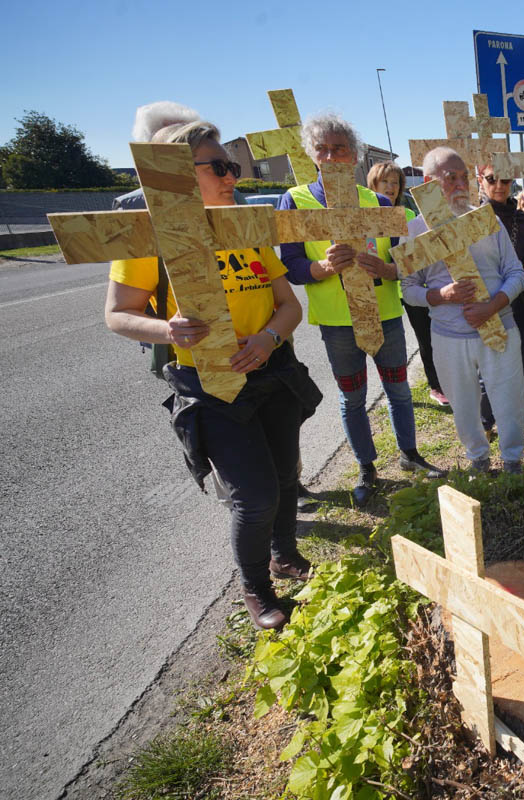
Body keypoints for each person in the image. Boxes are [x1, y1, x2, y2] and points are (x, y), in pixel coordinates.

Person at [104, 120, 321, 630]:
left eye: (233, 166)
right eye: (220, 167)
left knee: (287, 475)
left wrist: (267, 339)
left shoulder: (243, 226)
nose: (233, 176)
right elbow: (116, 314)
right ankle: (256, 588)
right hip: (210, 386)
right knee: (256, 493)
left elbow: (289, 306)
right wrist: (167, 329)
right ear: (179, 176)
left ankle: (284, 554)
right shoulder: (147, 237)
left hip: (272, 372)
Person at [277, 114, 445, 507]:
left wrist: (388, 269)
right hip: (338, 321)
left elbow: (407, 259)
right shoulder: (295, 200)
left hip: (384, 312)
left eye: (340, 149)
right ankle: (366, 467)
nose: (332, 156)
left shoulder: (379, 202)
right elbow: (292, 267)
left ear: (355, 156)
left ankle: (410, 455)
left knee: (399, 390)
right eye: (324, 149)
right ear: (311, 154)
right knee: (352, 398)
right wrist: (323, 267)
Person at [401, 147, 524, 473]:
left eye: (463, 177)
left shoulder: (487, 220)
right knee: (464, 404)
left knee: (509, 397)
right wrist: (440, 295)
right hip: (449, 335)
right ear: (428, 182)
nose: (460, 185)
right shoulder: (415, 230)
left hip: (499, 325)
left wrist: (493, 306)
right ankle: (478, 458)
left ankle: (513, 460)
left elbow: (516, 274)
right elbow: (408, 289)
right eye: (450, 178)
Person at [365, 162, 448, 407]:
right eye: (385, 182)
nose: (390, 187)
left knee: (426, 335)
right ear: (373, 184)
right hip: (377, 292)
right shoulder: (364, 217)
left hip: (412, 284)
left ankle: (437, 384)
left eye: (395, 183)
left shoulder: (409, 216)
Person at [476, 161, 524, 432]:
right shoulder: (472, 218)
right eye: (491, 179)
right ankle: (487, 423)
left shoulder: (523, 220)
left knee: (520, 363)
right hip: (483, 301)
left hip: (518, 301)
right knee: (486, 370)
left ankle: (519, 417)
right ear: (480, 180)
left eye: (506, 180)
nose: (499, 185)